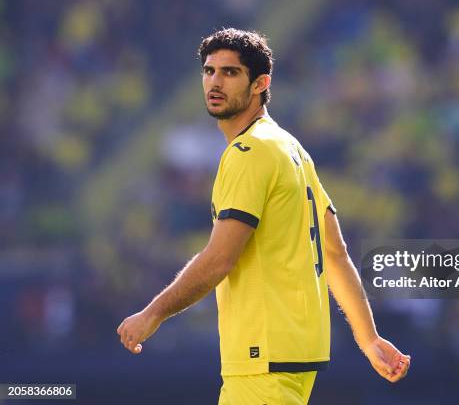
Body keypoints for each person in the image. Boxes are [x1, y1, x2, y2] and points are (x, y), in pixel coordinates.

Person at [117, 28, 410, 404]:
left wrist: (153, 314)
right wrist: (368, 338)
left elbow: (220, 258)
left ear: (260, 83)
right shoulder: (291, 149)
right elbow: (335, 253)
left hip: (263, 355)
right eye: (209, 71)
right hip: (296, 352)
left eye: (230, 72)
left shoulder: (250, 152)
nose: (215, 82)